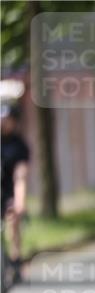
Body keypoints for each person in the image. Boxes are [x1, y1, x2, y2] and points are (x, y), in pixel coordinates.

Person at [1, 104, 30, 277]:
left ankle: (15, 259)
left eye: (7, 119)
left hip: (9, 193)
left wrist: (20, 201)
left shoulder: (19, 146)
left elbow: (20, 177)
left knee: (13, 220)